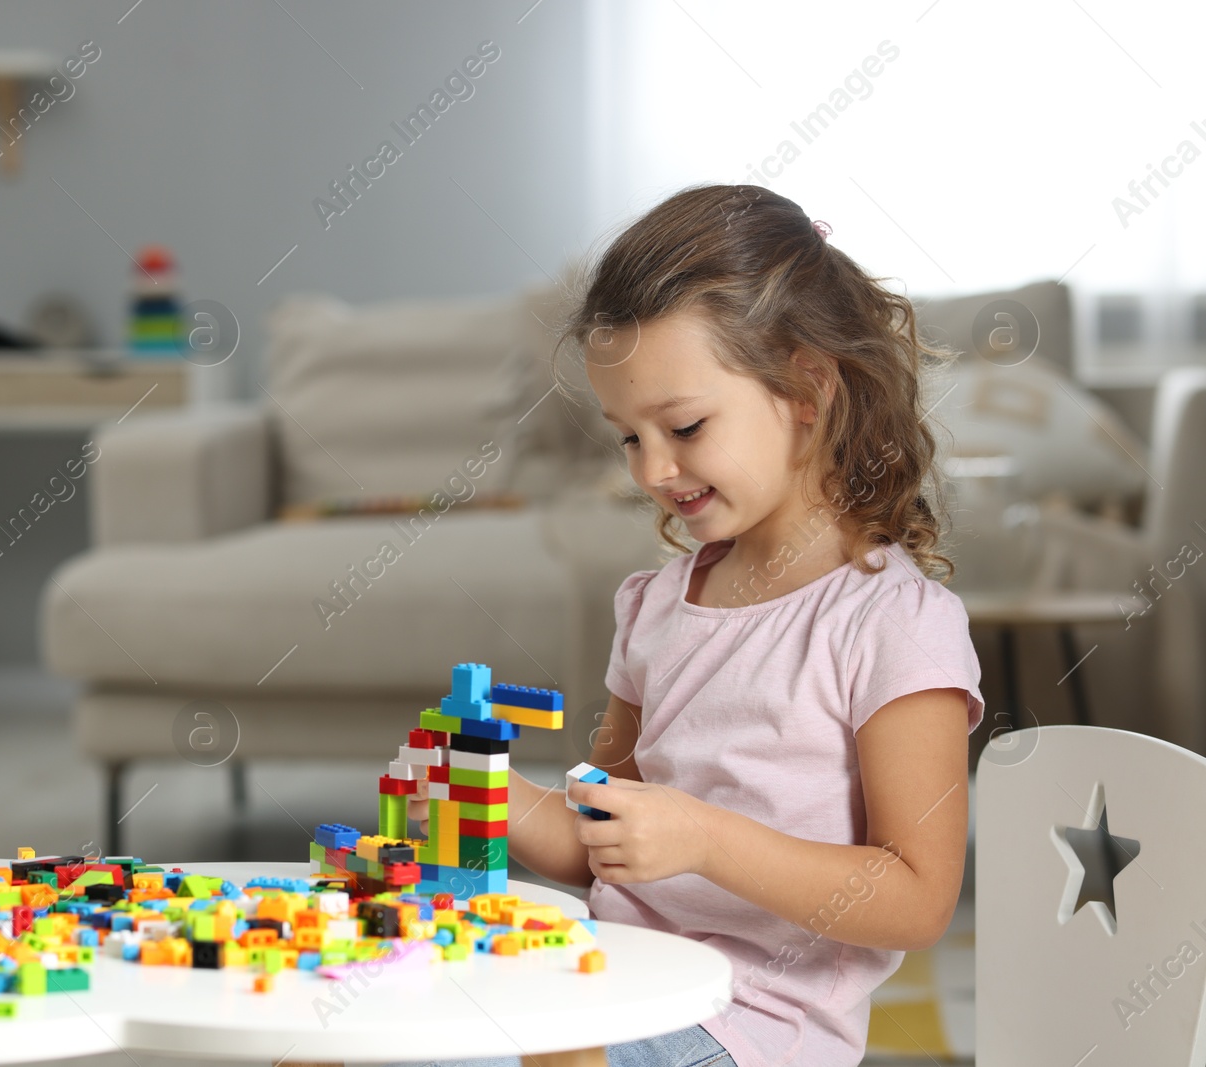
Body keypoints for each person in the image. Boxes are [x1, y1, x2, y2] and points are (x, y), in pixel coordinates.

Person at [402, 183, 985, 1067]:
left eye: (683, 425)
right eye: (628, 437)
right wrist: (486, 794)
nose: (653, 469)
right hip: (618, 974)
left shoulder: (893, 625)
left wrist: (706, 838)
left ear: (805, 389)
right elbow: (603, 839)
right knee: (354, 1022)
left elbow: (916, 896)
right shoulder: (656, 605)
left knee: (528, 1052)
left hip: (747, 1024)